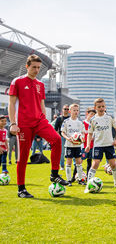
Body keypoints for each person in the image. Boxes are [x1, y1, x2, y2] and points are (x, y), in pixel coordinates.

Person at [8, 54, 68, 198]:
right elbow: (11, 104)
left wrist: (45, 120)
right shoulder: (17, 82)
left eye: (38, 68)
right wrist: (13, 124)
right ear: (27, 66)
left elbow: (41, 104)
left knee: (56, 139)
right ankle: (21, 189)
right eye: (34, 67)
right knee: (23, 157)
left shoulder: (40, 85)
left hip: (40, 121)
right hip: (23, 124)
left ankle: (54, 174)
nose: (36, 70)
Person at [84, 98, 116, 192]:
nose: (101, 108)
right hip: (98, 145)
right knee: (95, 164)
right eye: (99, 107)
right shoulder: (93, 120)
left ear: (105, 107)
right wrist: (88, 145)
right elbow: (89, 133)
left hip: (109, 145)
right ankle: (88, 186)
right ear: (95, 108)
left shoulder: (109, 118)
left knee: (113, 164)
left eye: (103, 106)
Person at [61, 104, 86, 186]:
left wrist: (81, 139)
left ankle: (80, 179)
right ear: (70, 111)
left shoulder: (80, 122)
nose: (76, 112)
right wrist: (68, 138)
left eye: (77, 110)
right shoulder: (66, 122)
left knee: (79, 162)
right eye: (74, 110)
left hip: (77, 146)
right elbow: (62, 132)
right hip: (69, 145)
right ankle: (68, 180)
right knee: (69, 162)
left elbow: (83, 133)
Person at [54, 104, 70, 170]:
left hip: (69, 137)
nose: (66, 110)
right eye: (65, 109)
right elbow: (55, 129)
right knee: (62, 152)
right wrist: (58, 136)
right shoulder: (59, 118)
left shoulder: (70, 118)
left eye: (67, 109)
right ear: (62, 110)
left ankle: (75, 164)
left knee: (72, 150)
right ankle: (62, 166)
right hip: (62, 137)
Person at [82, 107, 96, 175]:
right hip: (83, 146)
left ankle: (88, 176)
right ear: (87, 114)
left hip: (92, 146)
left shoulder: (94, 124)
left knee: (89, 162)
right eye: (91, 114)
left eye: (94, 115)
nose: (92, 116)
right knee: (79, 162)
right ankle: (73, 177)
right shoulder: (82, 123)